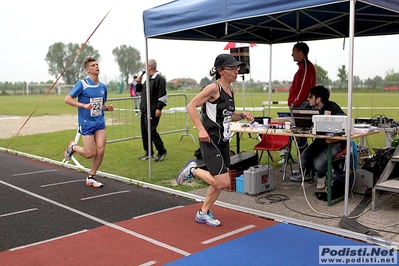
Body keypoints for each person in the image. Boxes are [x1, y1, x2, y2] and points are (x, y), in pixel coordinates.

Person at [176, 54, 254, 227]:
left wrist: (241, 115)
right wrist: (201, 128)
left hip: (223, 141)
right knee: (224, 182)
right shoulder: (213, 88)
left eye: (237, 68)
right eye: (232, 68)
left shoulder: (231, 91)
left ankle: (203, 212)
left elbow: (227, 115)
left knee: (220, 181)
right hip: (210, 140)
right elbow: (191, 106)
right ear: (220, 71)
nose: (236, 71)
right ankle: (193, 169)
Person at [64, 57, 114, 188]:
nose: (96, 67)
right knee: (89, 154)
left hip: (99, 122)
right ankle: (72, 147)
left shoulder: (103, 86)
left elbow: (101, 104)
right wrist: (83, 105)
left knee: (101, 149)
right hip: (86, 122)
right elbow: (67, 99)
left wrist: (107, 108)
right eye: (93, 65)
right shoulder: (82, 84)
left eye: (97, 65)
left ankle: (91, 177)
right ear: (87, 70)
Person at [290, 85, 346, 189]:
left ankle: (321, 176)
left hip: (335, 143)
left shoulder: (333, 107)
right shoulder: (308, 108)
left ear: (318, 99)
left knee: (318, 163)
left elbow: (344, 122)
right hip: (319, 142)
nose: (308, 99)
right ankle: (316, 173)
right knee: (302, 160)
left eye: (310, 97)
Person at [283, 42, 317, 159]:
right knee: (300, 139)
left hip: (301, 106)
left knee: (300, 138)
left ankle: (305, 168)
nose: (291, 54)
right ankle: (304, 167)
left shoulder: (306, 66)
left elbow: (305, 87)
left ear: (300, 52)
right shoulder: (303, 67)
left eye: (293, 51)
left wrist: (295, 102)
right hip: (299, 105)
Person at [135, 59, 167, 162]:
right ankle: (149, 152)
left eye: (145, 66)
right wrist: (139, 83)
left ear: (149, 67)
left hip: (153, 110)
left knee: (151, 131)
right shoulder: (147, 79)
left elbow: (162, 95)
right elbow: (140, 91)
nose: (144, 68)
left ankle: (161, 151)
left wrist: (159, 108)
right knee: (145, 131)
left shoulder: (159, 79)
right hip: (144, 110)